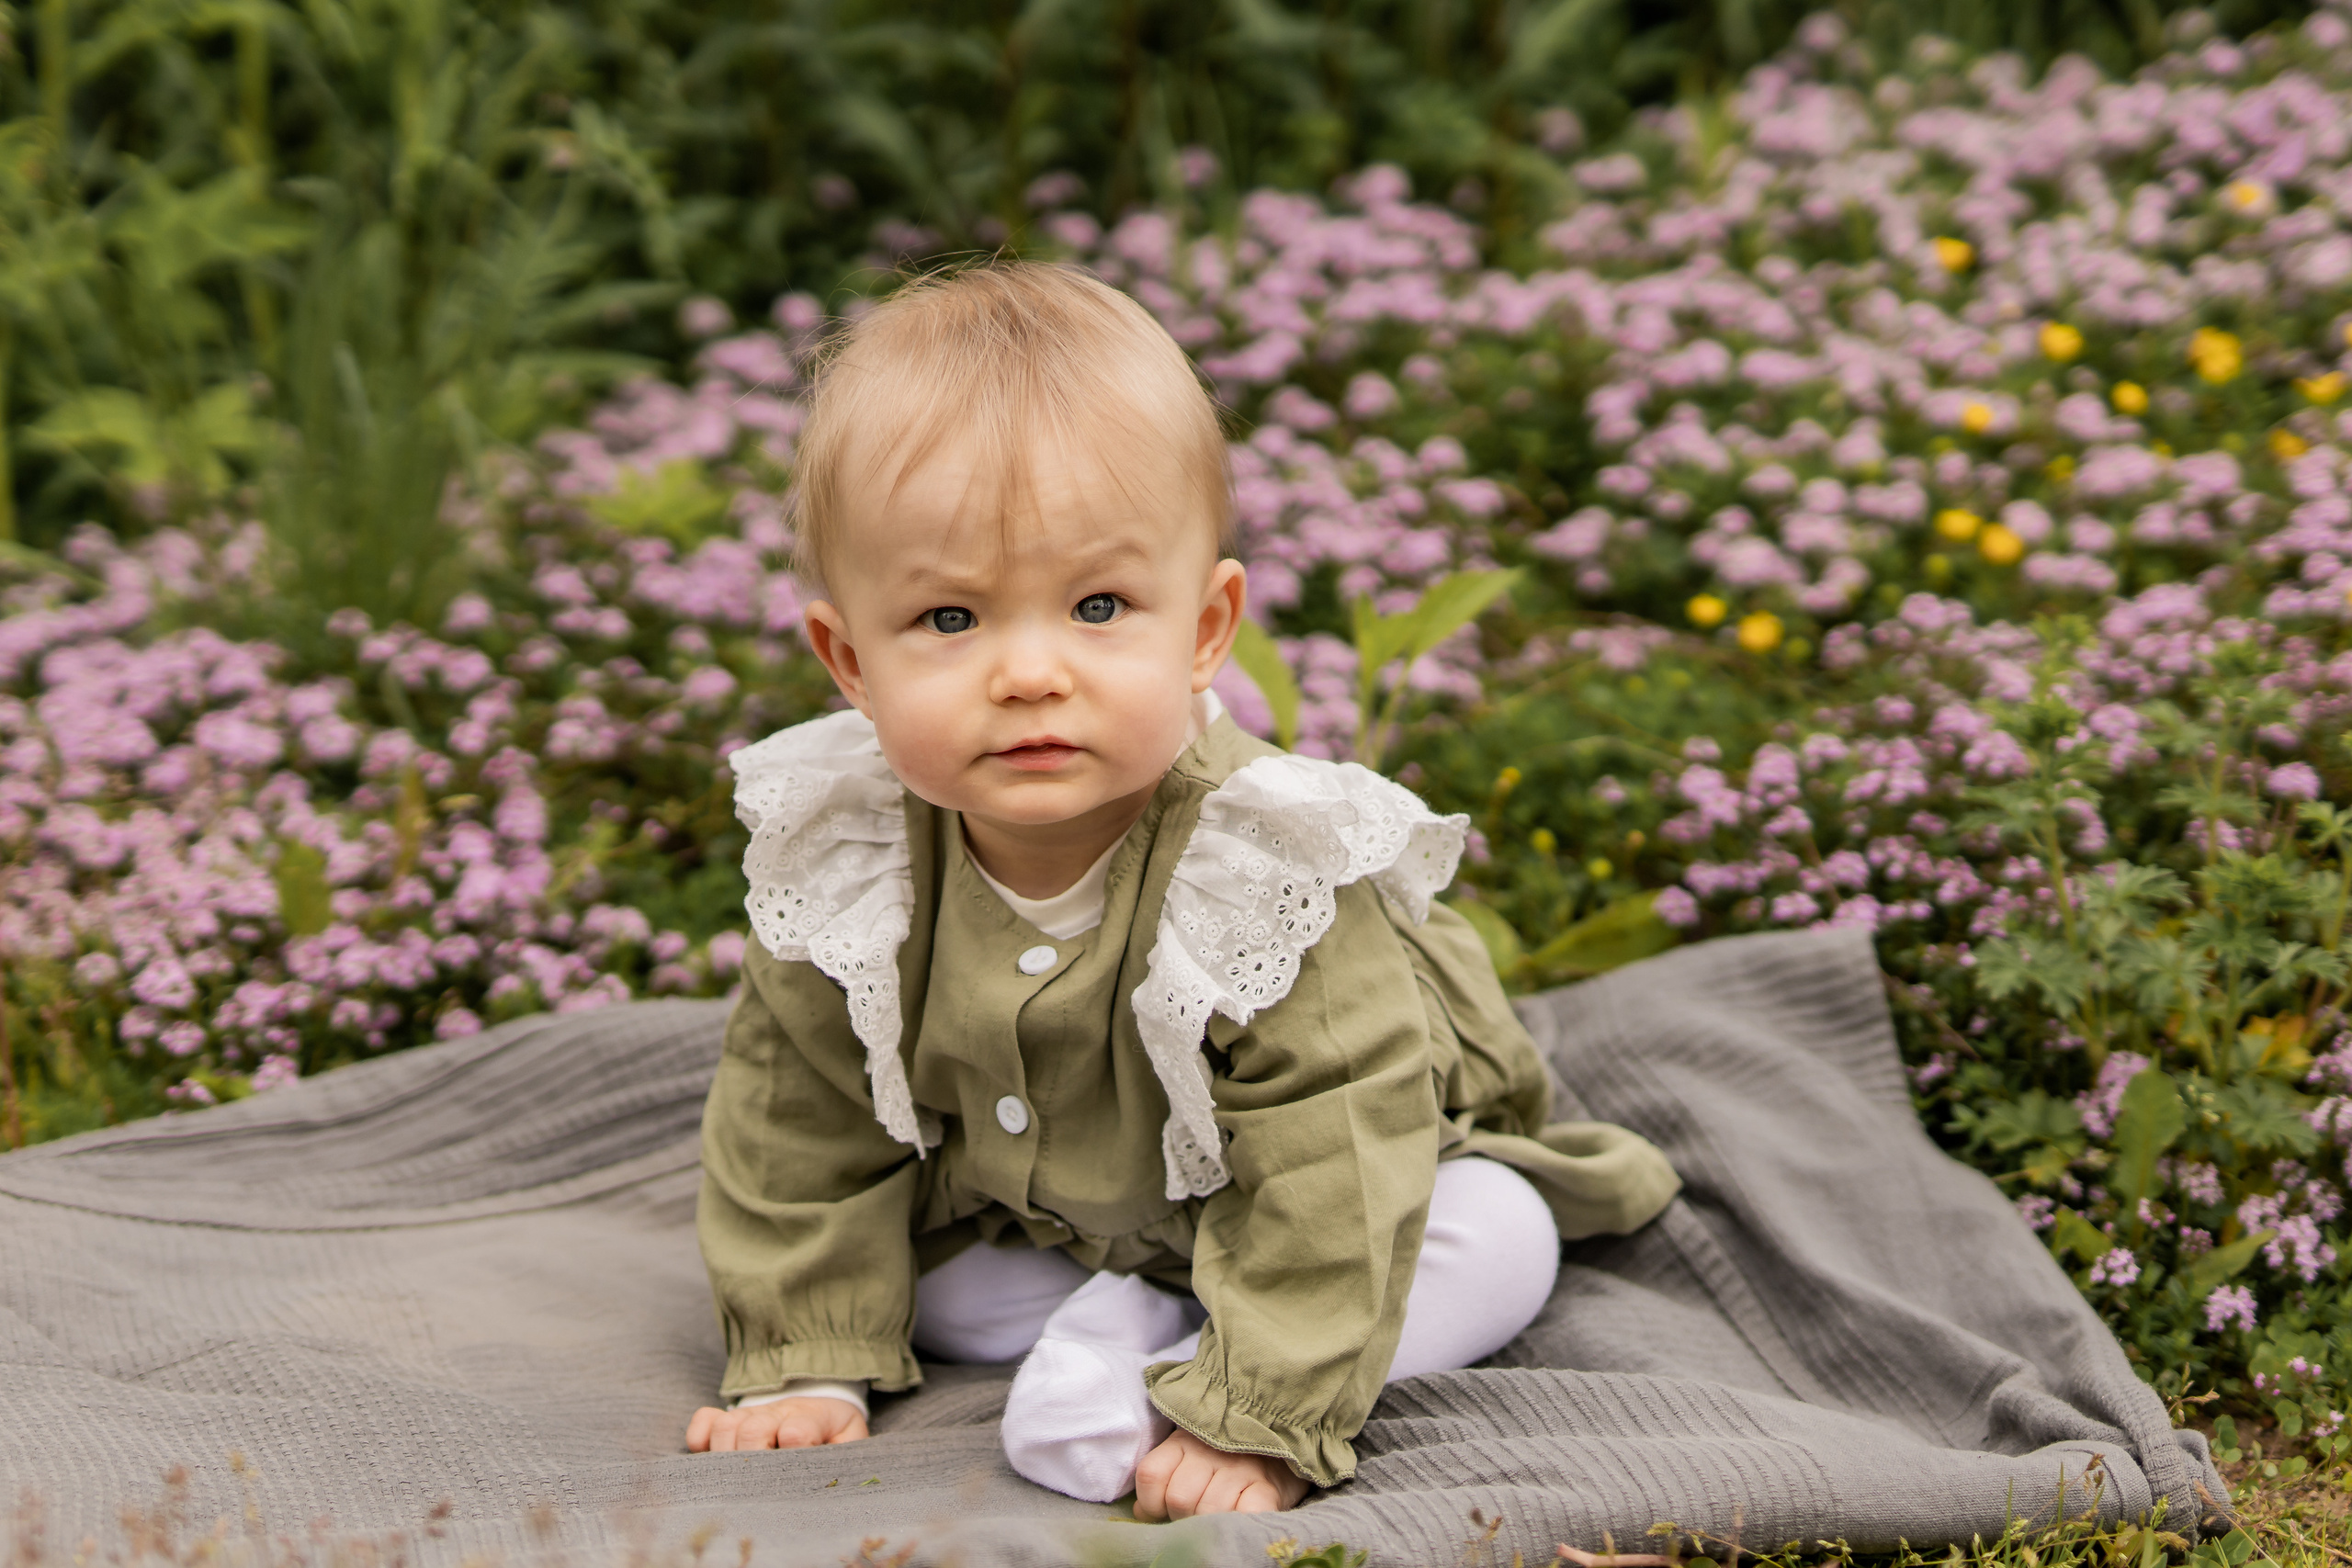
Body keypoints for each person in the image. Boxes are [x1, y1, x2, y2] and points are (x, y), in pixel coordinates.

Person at [684, 261, 1679, 1519]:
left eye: (1098, 606)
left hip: (1344, 1183)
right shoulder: (849, 855)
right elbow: (797, 1121)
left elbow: (1339, 1158)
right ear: (849, 661)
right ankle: (1140, 1312)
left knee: (1498, 1241)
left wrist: (1258, 1419)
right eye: (948, 619)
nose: (1030, 671)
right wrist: (805, 1352)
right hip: (1049, 1214)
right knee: (917, 1294)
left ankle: (1197, 1364)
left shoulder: (1266, 869)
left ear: (1205, 630)